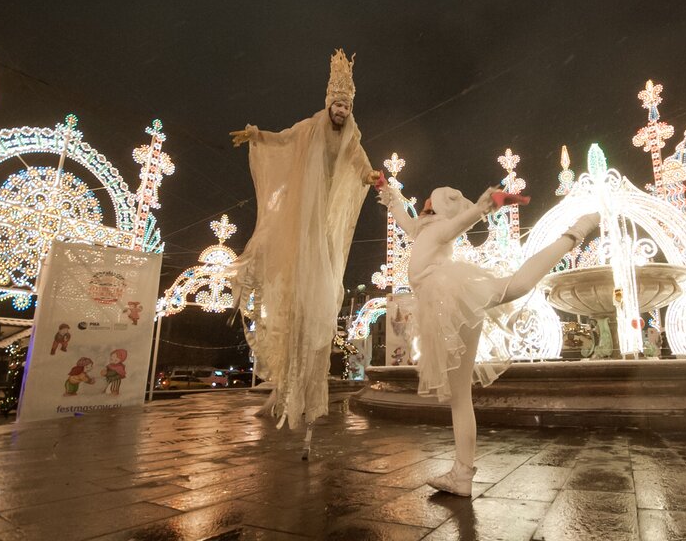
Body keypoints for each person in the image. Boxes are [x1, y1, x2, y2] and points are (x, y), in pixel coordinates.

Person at [377, 180, 600, 495]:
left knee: (515, 287)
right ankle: (462, 473)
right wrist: (388, 192)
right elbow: (403, 216)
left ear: (437, 209)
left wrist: (486, 205)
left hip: (448, 296)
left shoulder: (439, 229)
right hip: (448, 303)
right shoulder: (422, 230)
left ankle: (575, 232)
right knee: (460, 395)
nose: (424, 204)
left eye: (430, 202)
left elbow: (459, 223)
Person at [229, 49, 381, 440]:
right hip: (303, 214)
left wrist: (370, 176)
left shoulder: (351, 137)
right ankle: (284, 387)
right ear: (328, 104)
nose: (342, 111)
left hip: (325, 219)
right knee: (291, 284)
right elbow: (282, 140)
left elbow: (360, 162)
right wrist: (257, 135)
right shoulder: (310, 126)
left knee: (321, 291)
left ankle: (307, 390)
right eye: (337, 104)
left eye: (347, 105)